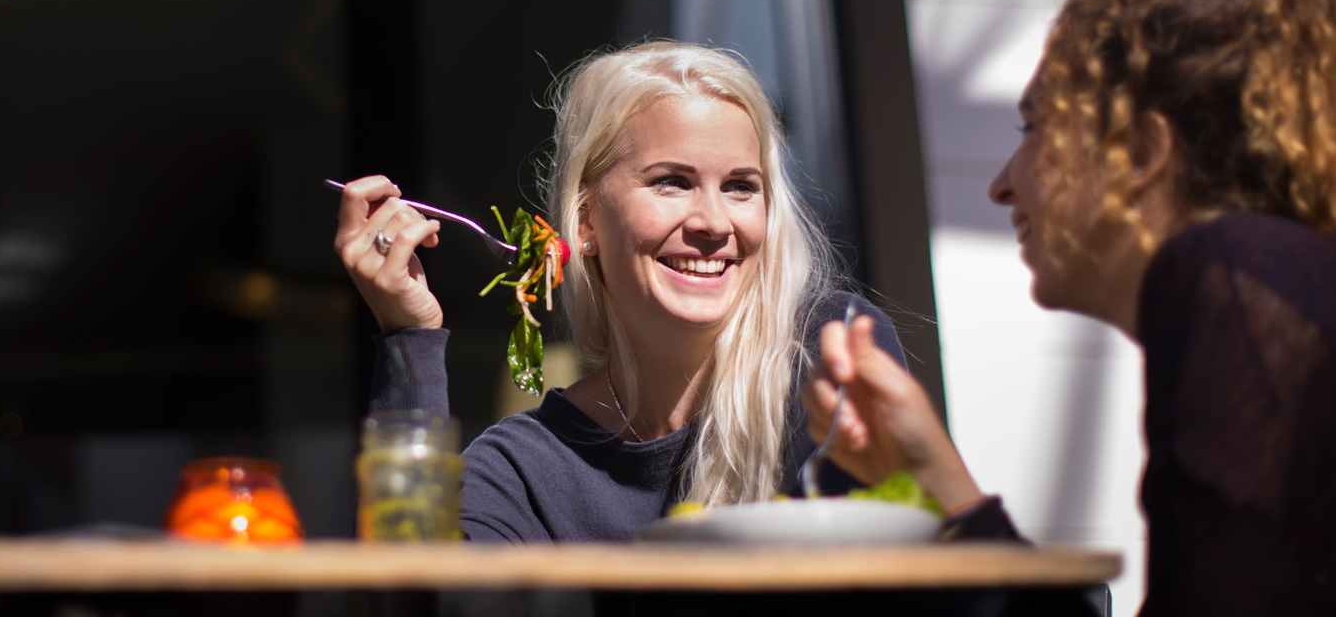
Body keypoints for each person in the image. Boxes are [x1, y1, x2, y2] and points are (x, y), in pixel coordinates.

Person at [804, 0, 1336, 615]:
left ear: (1141, 150)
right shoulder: (1286, 284)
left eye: (1035, 126)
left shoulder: (1232, 271)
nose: (1001, 183)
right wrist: (932, 478)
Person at [333, 41, 911, 542]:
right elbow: (416, 589)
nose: (713, 221)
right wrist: (410, 340)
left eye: (740, 187)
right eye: (672, 182)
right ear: (584, 223)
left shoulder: (828, 354)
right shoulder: (528, 470)